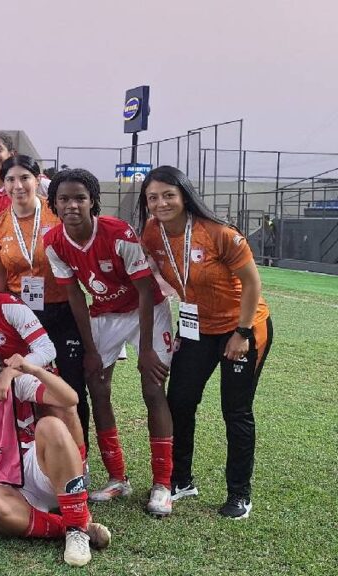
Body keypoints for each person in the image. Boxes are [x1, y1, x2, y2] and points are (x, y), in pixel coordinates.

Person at [138, 165, 273, 519]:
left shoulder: (219, 233)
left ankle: (239, 493)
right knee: (179, 401)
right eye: (153, 197)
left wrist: (242, 333)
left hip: (242, 328)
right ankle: (181, 480)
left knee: (235, 409)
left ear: (184, 195)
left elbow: (253, 283)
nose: (161, 202)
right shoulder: (152, 234)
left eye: (169, 194)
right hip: (197, 329)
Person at [43, 168, 175, 516]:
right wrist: (89, 349)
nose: (72, 205)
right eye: (64, 199)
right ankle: (118, 478)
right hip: (105, 314)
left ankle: (162, 484)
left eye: (80, 198)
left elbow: (146, 290)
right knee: (98, 388)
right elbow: (74, 297)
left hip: (147, 310)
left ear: (92, 202)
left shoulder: (118, 232)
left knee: (153, 389)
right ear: (54, 204)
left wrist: (145, 348)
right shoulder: (54, 241)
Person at [0, 330, 111, 567]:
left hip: (29, 469)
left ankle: (76, 522)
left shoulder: (11, 383)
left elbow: (70, 399)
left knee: (51, 426)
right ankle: (71, 527)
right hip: (6, 492)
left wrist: (33, 369)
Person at [0, 156, 89, 444]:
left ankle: (79, 457)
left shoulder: (56, 215)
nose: (17, 186)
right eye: (10, 180)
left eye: (24, 178)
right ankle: (31, 451)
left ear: (37, 179)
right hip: (21, 315)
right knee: (25, 383)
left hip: (62, 311)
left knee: (71, 385)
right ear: (3, 184)